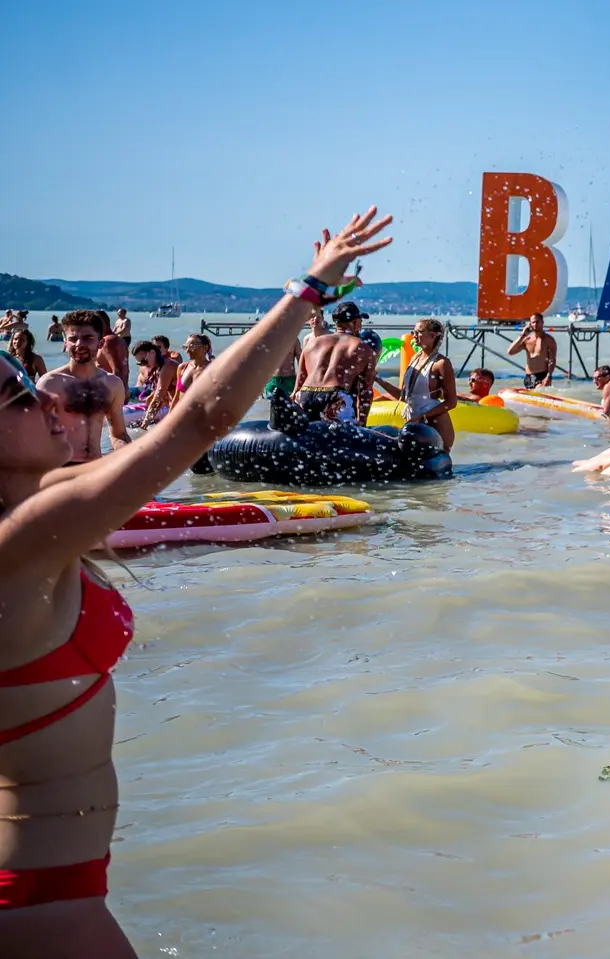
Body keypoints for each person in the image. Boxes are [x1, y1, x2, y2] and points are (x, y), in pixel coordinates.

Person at [0, 207, 391, 955]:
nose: (49, 397)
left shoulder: (40, 513)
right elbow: (202, 417)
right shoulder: (22, 538)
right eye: (19, 397)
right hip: (43, 910)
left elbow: (182, 424)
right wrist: (309, 289)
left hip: (58, 893)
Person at [36, 311, 131, 465]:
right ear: (65, 343)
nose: (79, 344)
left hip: (95, 467)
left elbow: (119, 435)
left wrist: (129, 458)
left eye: (88, 338)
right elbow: (36, 437)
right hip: (61, 469)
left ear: (101, 343)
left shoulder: (112, 384)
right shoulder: (50, 383)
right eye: (73, 339)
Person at [374, 319, 457, 451]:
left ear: (432, 335)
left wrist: (422, 416)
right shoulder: (415, 358)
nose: (413, 335)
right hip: (415, 420)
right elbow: (404, 396)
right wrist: (378, 379)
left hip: (435, 424)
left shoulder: (441, 363)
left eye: (418, 332)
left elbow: (451, 402)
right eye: (413, 332)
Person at [294, 302, 377, 423]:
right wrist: (362, 424)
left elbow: (298, 384)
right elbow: (366, 393)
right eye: (360, 321)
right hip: (335, 397)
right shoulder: (362, 348)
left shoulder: (314, 343)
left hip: (305, 395)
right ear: (354, 323)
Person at [130, 340, 179, 429]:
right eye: (140, 363)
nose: (143, 365)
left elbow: (157, 399)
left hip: (188, 408)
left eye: (144, 361)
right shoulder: (157, 368)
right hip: (175, 407)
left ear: (152, 353)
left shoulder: (167, 366)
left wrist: (144, 424)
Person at [509, 313, 557, 388]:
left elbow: (552, 360)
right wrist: (522, 335)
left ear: (542, 322)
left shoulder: (549, 340)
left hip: (542, 376)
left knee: (539, 390)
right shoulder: (527, 340)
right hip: (528, 377)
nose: (535, 324)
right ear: (530, 324)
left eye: (537, 322)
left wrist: (549, 375)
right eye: (533, 322)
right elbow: (510, 352)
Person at [170, 334, 213, 411]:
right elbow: (176, 398)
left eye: (192, 347)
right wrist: (170, 416)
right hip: (182, 415)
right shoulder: (182, 368)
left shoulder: (212, 369)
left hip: (202, 416)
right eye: (186, 347)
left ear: (205, 348)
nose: (187, 351)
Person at [92, 310, 129, 389]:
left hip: (108, 390)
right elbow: (126, 370)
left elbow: (117, 370)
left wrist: (117, 392)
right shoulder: (120, 340)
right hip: (116, 389)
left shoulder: (107, 342)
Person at [264, 333, 302, 399]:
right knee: (272, 402)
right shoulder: (269, 341)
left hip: (289, 380)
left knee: (290, 402)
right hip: (273, 380)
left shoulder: (294, 340)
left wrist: (301, 382)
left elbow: (301, 362)